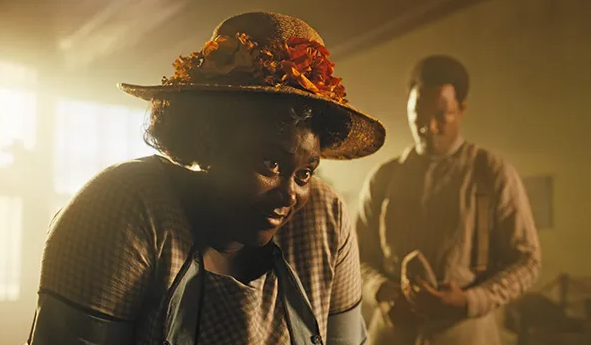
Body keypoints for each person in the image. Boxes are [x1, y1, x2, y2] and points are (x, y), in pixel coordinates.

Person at [26, 12, 386, 345]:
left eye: (304, 173)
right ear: (208, 140)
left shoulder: (323, 218)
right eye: (269, 163)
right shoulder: (126, 208)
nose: (288, 195)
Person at [356, 55, 541, 345]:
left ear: (462, 109)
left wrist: (472, 299)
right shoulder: (383, 177)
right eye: (419, 114)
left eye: (442, 115)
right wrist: (380, 290)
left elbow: (527, 260)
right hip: (392, 335)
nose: (429, 127)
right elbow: (356, 257)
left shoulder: (492, 173)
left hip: (467, 335)